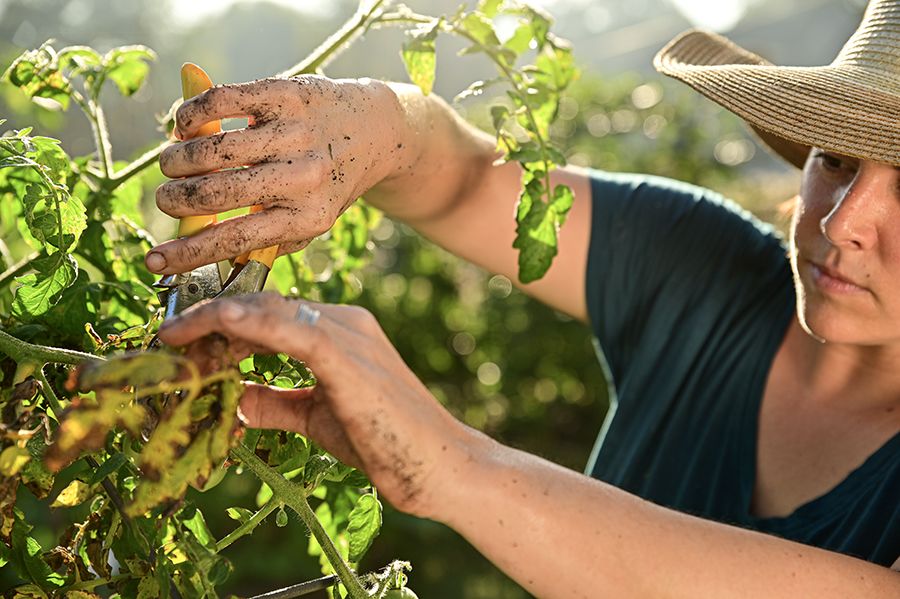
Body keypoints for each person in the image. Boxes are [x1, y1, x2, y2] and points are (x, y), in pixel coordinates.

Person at [148, 0, 900, 596]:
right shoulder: (708, 266)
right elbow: (471, 182)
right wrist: (381, 125)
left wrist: (451, 465)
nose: (842, 222)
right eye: (834, 158)